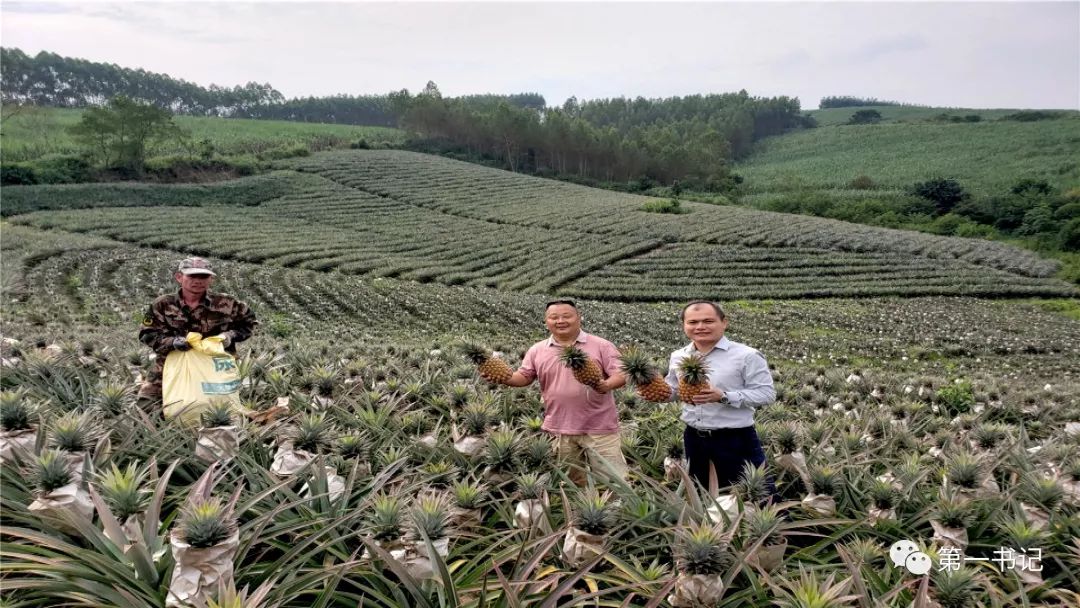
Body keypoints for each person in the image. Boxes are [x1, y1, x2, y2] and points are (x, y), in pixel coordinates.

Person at [488, 299, 627, 486]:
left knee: (613, 482)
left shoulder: (601, 345)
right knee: (571, 483)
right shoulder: (537, 350)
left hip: (600, 427)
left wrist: (607, 384)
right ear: (546, 321)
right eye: (554, 317)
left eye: (566, 316)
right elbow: (524, 376)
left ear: (579, 318)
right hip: (560, 428)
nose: (560, 321)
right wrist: (502, 376)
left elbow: (621, 373)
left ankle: (617, 513)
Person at [664, 301, 776, 496]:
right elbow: (674, 390)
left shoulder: (747, 355)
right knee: (703, 495)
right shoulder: (678, 356)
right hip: (694, 438)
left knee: (758, 496)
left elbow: (766, 394)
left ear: (724, 322)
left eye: (708, 321)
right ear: (684, 325)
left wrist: (724, 396)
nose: (700, 327)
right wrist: (656, 391)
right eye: (693, 322)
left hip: (735, 439)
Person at [137, 257, 257, 408]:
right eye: (192, 276)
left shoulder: (226, 303)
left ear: (211, 279)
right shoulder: (163, 304)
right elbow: (147, 334)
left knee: (218, 408)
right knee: (146, 405)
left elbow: (249, 323)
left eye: (203, 277)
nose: (198, 281)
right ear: (179, 277)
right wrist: (173, 342)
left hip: (214, 365)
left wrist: (230, 336)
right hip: (171, 363)